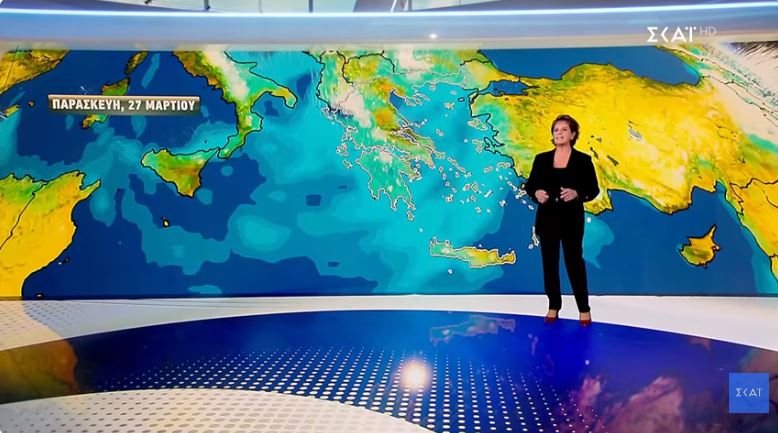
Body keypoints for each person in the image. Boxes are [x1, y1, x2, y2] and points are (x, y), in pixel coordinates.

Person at [524, 114, 600, 326]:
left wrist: (577, 193)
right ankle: (553, 306)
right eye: (556, 130)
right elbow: (531, 186)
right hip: (547, 218)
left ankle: (584, 308)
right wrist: (536, 193)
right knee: (549, 264)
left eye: (564, 129)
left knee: (574, 263)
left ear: (573, 134)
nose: (559, 133)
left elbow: (593, 189)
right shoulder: (541, 159)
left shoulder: (583, 161)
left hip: (571, 219)